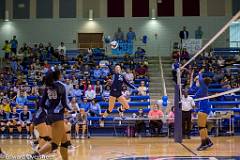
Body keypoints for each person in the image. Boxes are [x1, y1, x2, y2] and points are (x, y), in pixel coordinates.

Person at [33, 69, 71, 160]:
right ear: (58, 75)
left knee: (64, 142)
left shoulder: (48, 86)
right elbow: (65, 103)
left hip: (50, 115)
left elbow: (42, 103)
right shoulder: (62, 86)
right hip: (58, 116)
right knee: (54, 144)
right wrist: (70, 109)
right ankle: (33, 156)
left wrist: (50, 110)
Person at [194, 69, 213, 151]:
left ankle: (203, 144)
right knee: (203, 127)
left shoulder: (204, 86)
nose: (198, 81)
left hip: (203, 109)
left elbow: (200, 78)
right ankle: (208, 142)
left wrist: (200, 72)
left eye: (199, 81)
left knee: (201, 127)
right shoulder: (203, 88)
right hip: (204, 108)